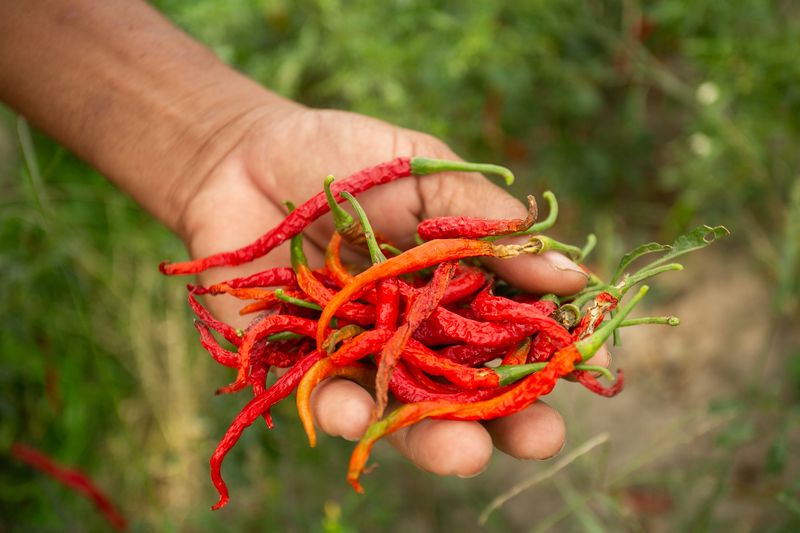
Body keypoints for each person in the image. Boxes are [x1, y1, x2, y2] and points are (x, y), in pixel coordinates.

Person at [0, 0, 608, 479]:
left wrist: (220, 143)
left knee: (428, 329)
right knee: (398, 319)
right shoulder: (382, 279)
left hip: (387, 305)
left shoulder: (458, 284)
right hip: (366, 302)